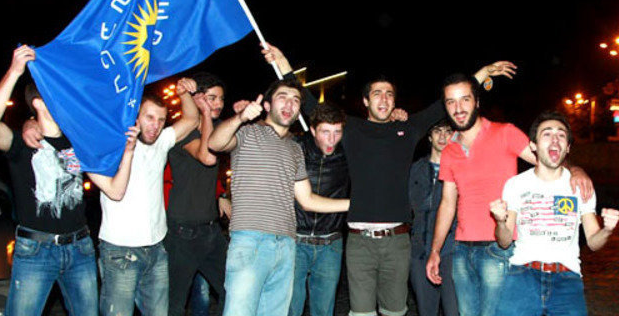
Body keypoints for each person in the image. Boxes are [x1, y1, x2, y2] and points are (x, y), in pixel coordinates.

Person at [261, 44, 515, 316]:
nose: (384, 99)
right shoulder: (350, 129)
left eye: (389, 94)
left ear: (395, 101)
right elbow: (310, 105)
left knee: (395, 311)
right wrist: (285, 64)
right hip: (359, 241)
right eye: (377, 94)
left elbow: (444, 106)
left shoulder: (407, 129)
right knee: (361, 312)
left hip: (397, 240)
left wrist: (482, 73)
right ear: (366, 101)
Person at [425, 74, 593, 316]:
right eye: (451, 102)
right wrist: (435, 250)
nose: (458, 108)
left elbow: (546, 159)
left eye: (465, 100)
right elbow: (448, 204)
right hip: (461, 250)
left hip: (499, 248)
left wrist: (576, 170)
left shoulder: (505, 133)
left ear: (477, 102)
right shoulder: (450, 150)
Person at [0, 45, 138, 315]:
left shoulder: (79, 143)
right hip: (35, 249)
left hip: (80, 249)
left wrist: (129, 153)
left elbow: (115, 191)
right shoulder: (20, 143)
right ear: (38, 102)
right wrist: (14, 72)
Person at [208, 78, 350, 316]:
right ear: (267, 105)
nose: (290, 104)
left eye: (296, 100)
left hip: (286, 245)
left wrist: (356, 205)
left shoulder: (295, 148)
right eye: (282, 97)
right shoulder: (247, 132)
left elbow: (308, 200)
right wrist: (240, 117)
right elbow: (215, 142)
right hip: (251, 241)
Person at [490, 111, 619, 316]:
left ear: (567, 147)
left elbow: (593, 242)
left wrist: (607, 229)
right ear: (533, 145)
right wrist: (500, 222)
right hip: (522, 275)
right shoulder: (516, 184)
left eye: (561, 135)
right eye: (547, 134)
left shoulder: (580, 186)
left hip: (567, 279)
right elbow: (504, 241)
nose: (555, 139)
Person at [96, 78, 198, 315]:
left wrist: (183, 93)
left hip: (156, 248)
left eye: (161, 119)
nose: (155, 125)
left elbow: (192, 120)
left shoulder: (162, 141)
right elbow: (115, 191)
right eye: (149, 117)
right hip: (119, 250)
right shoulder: (113, 146)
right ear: (135, 116)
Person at [164, 72, 235, 316]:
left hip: (210, 231)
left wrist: (220, 195)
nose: (217, 104)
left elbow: (205, 176)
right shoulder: (184, 131)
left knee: (233, 288)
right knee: (174, 304)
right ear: (199, 99)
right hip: (182, 233)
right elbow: (206, 157)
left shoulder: (213, 129)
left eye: (221, 99)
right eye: (212, 98)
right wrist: (204, 113)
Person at [289, 103, 350, 316]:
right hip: (295, 241)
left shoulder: (348, 153)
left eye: (337, 132)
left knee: (323, 311)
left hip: (330, 244)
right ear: (313, 130)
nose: (332, 139)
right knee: (290, 309)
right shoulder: (296, 148)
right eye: (325, 132)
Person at [407, 119, 458, 316]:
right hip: (419, 249)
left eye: (447, 131)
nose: (443, 136)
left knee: (454, 309)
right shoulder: (415, 169)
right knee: (426, 310)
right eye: (437, 131)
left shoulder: (461, 168)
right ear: (429, 136)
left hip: (452, 251)